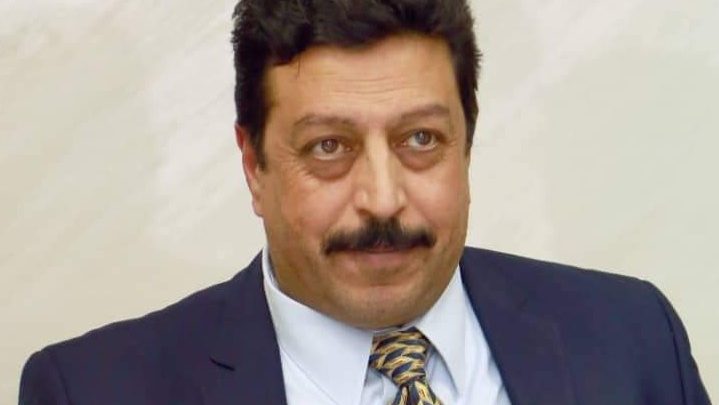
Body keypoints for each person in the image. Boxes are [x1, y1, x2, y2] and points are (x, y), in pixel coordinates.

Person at [19, 0, 711, 404]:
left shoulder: (632, 340)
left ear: (467, 145)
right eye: (329, 147)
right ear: (253, 166)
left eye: (420, 139)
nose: (382, 200)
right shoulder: (94, 390)